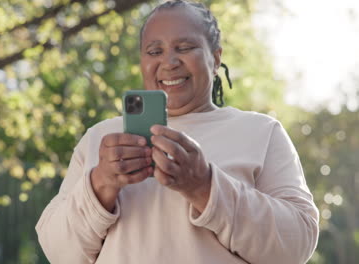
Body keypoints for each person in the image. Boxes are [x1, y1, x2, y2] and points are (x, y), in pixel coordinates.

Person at [35, 1, 319, 263]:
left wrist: (204, 186)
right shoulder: (100, 139)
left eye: (184, 47)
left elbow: (297, 246)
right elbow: (58, 251)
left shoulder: (262, 132)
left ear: (216, 58)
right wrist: (101, 184)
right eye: (155, 51)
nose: (169, 62)